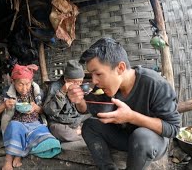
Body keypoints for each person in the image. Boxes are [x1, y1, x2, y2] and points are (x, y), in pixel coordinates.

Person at [67, 37, 181, 170]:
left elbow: (173, 128)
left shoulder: (155, 84)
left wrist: (131, 116)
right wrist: (79, 100)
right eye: (91, 75)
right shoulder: (104, 86)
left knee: (141, 136)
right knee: (89, 125)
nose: (94, 81)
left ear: (120, 68)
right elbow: (86, 109)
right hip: (125, 137)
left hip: (151, 142)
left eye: (98, 73)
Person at [0, 64, 61, 170]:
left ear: (31, 81)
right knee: (14, 127)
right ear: (13, 82)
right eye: (20, 84)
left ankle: (19, 153)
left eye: (27, 84)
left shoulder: (38, 93)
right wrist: (4, 105)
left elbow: (47, 111)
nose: (24, 88)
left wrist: (37, 108)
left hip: (35, 125)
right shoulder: (7, 94)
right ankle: (8, 161)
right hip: (17, 125)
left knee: (52, 144)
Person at [43, 60, 89, 142]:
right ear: (65, 79)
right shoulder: (55, 87)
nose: (78, 84)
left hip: (77, 119)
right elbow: (49, 111)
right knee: (56, 129)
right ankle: (80, 132)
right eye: (74, 82)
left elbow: (83, 110)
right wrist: (62, 92)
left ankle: (79, 132)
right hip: (60, 122)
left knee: (96, 115)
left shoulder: (81, 86)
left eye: (80, 81)